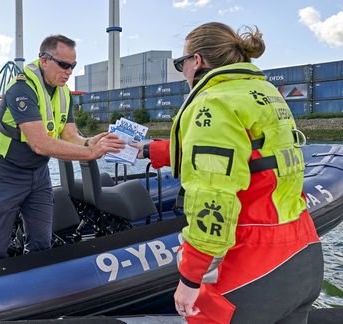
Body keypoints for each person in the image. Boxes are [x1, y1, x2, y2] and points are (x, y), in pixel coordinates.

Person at [137, 22, 323, 323]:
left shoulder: (213, 101)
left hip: (251, 267)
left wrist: (190, 279)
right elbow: (249, 155)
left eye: (180, 63)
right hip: (304, 253)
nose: (182, 70)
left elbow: (213, 196)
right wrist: (147, 150)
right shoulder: (265, 92)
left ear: (196, 61)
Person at [0, 35, 125, 263]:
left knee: (41, 242)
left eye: (72, 66)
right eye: (63, 64)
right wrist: (91, 153)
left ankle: (33, 287)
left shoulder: (63, 92)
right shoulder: (21, 89)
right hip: (6, 171)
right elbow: (40, 143)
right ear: (44, 60)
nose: (69, 71)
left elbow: (70, 135)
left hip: (38, 173)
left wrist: (90, 142)